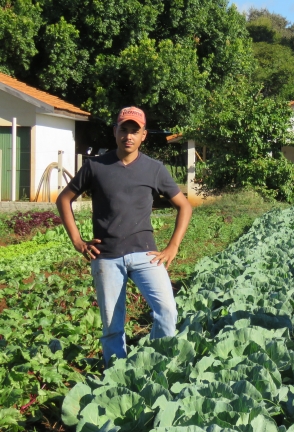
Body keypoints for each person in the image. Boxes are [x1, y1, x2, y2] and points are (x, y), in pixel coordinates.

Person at [56, 106, 193, 367]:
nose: (128, 136)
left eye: (135, 131)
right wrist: (77, 240)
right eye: (124, 129)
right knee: (111, 326)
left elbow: (184, 206)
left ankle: (157, 366)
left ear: (144, 135)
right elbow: (64, 198)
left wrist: (173, 246)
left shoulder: (154, 169)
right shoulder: (95, 166)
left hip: (145, 254)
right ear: (115, 131)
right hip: (106, 257)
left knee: (166, 311)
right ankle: (116, 375)